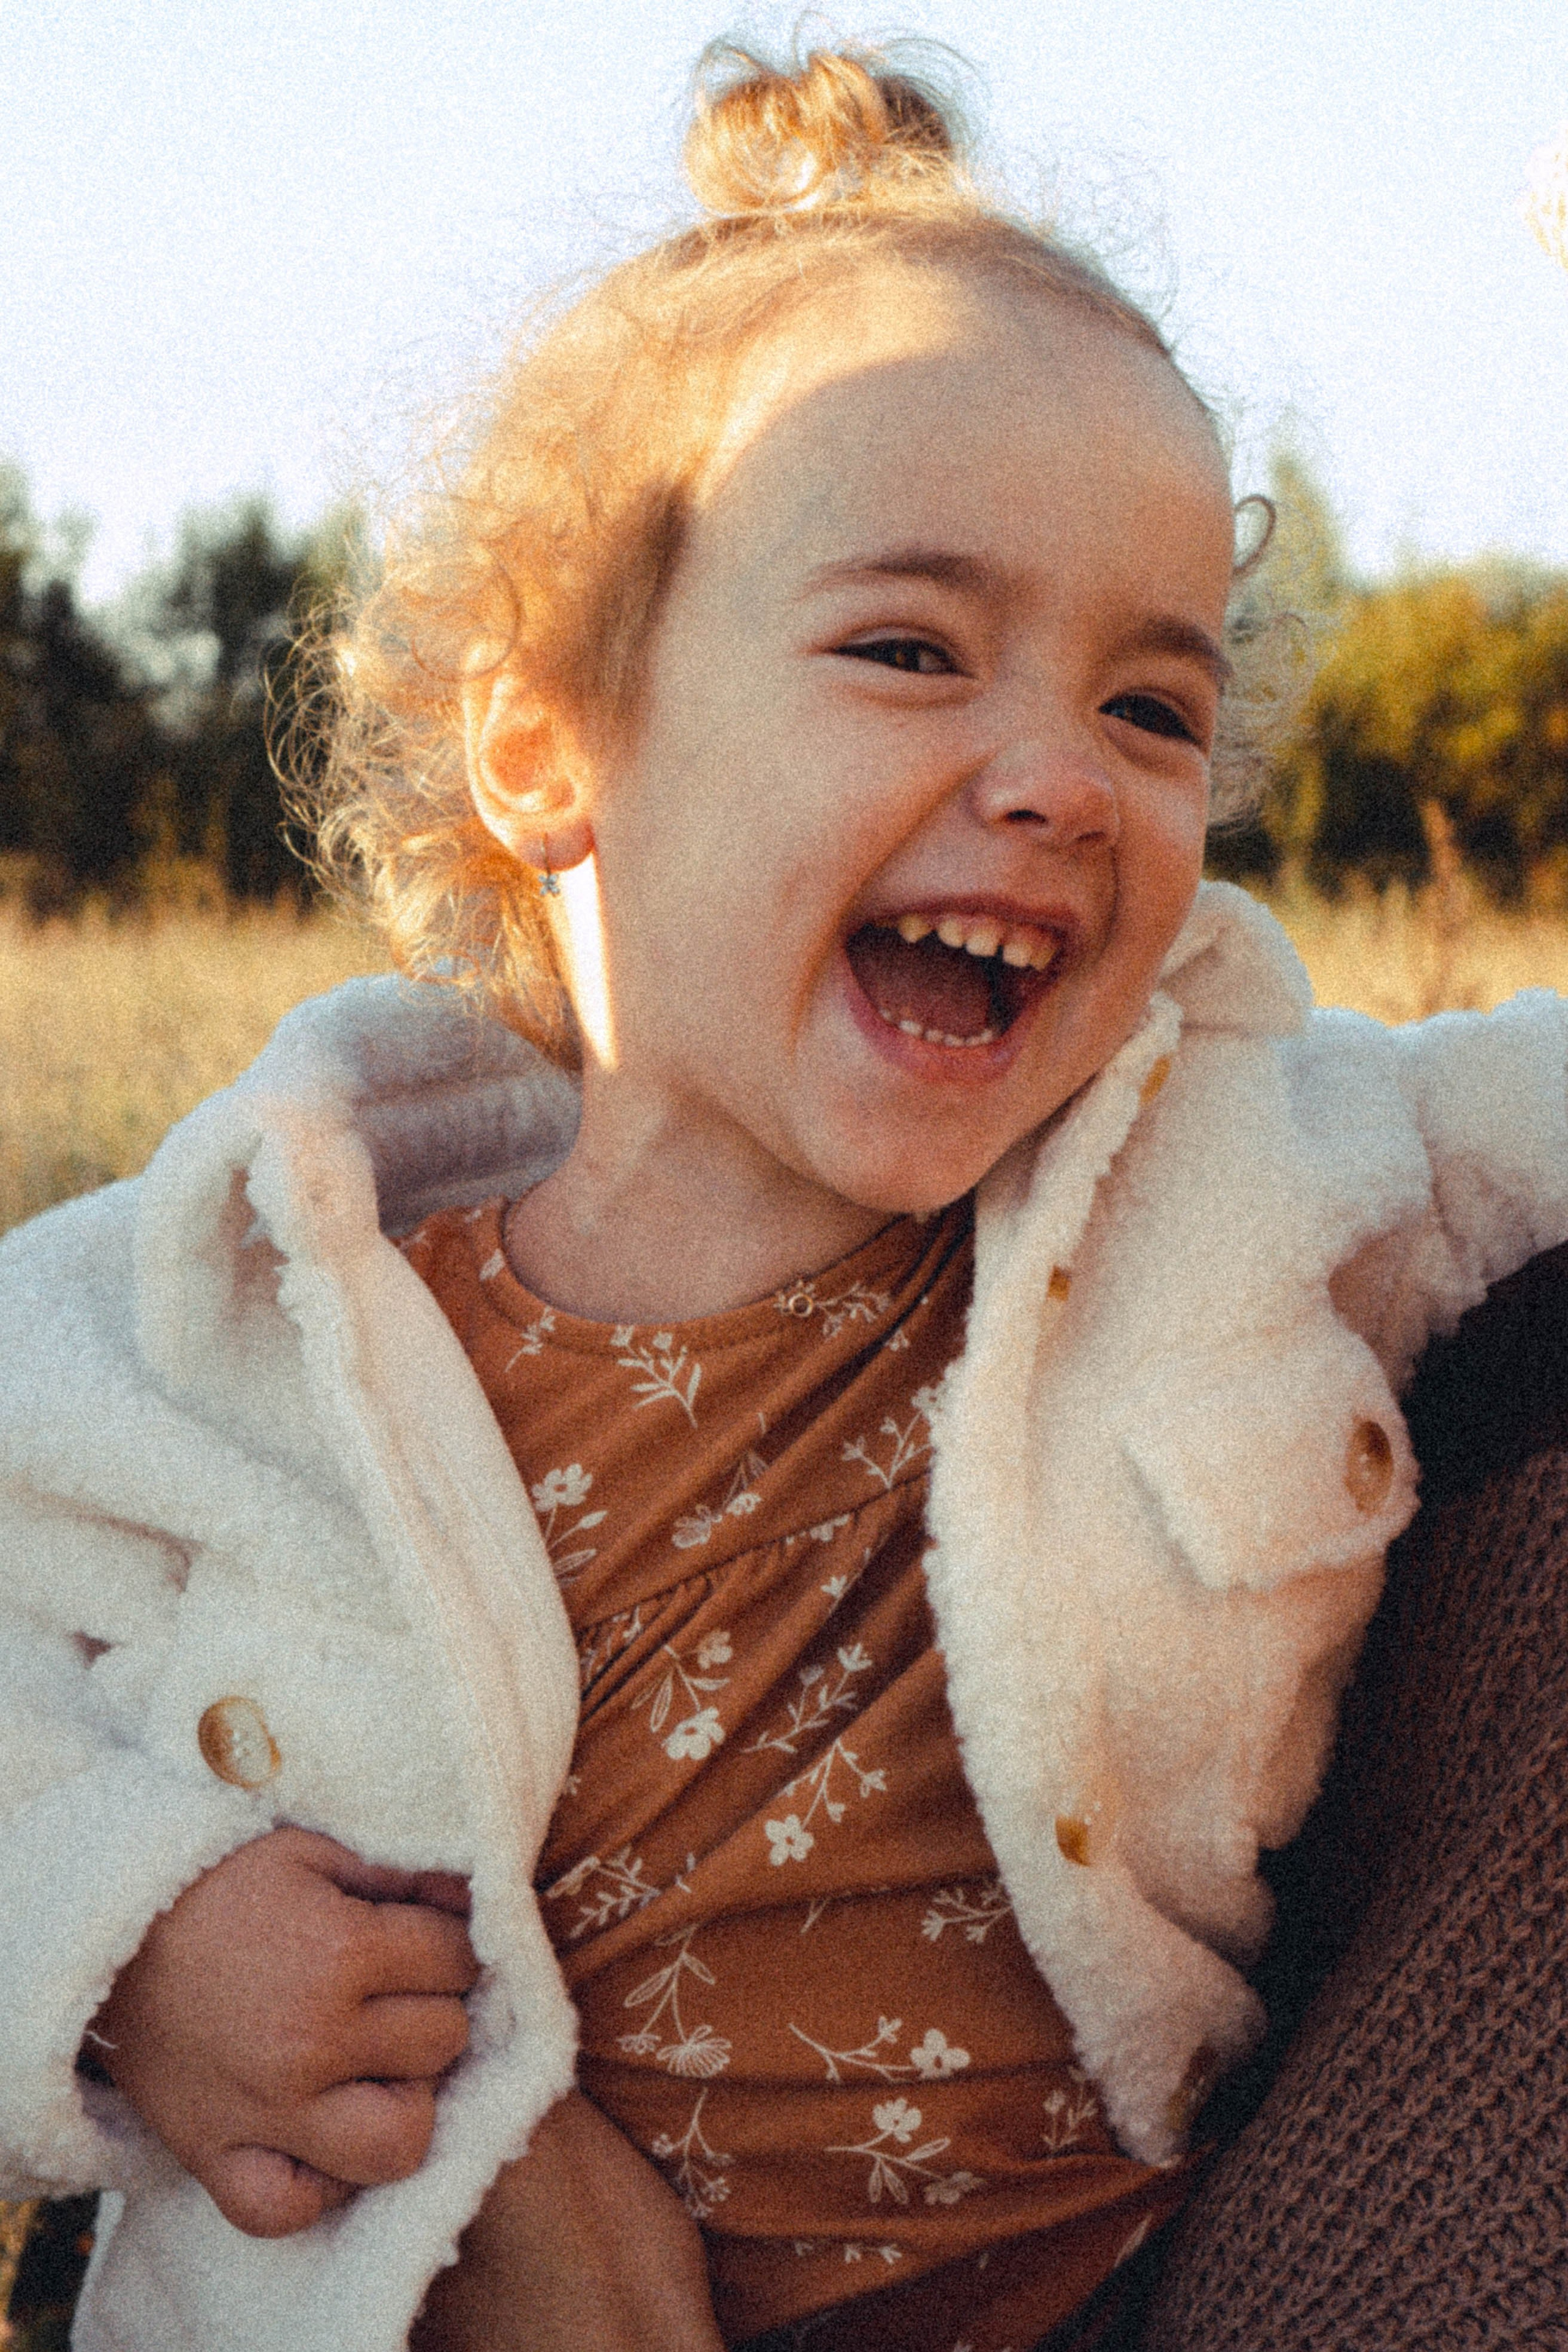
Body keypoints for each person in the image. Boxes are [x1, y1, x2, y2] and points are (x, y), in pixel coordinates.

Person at [4, 40, 1568, 2352]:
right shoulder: (224, 1317)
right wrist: (128, 1939)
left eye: (1154, 710)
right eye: (910, 650)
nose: (1056, 777)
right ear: (552, 746)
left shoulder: (1253, 1166)